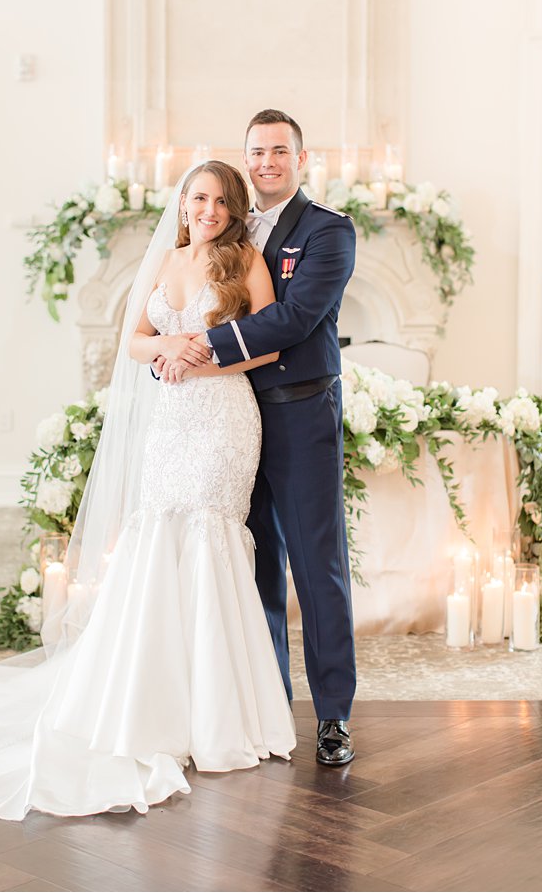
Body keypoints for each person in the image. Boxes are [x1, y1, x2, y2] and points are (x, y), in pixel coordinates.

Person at [0, 161, 294, 821]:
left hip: (223, 419)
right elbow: (133, 341)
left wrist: (205, 352)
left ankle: (222, 716)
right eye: (199, 197)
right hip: (170, 418)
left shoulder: (246, 261)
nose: (209, 209)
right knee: (159, 533)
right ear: (184, 201)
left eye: (222, 201)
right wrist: (169, 345)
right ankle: (156, 703)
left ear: (235, 209)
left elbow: (271, 344)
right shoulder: (166, 261)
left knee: (208, 534)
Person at [165, 108, 358, 766]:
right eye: (257, 152)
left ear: (301, 159)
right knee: (254, 569)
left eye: (280, 151)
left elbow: (299, 318)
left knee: (317, 568)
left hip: (302, 416)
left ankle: (333, 712)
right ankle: (268, 699)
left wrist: (196, 346)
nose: (267, 162)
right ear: (245, 159)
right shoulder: (230, 228)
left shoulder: (330, 231)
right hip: (237, 420)